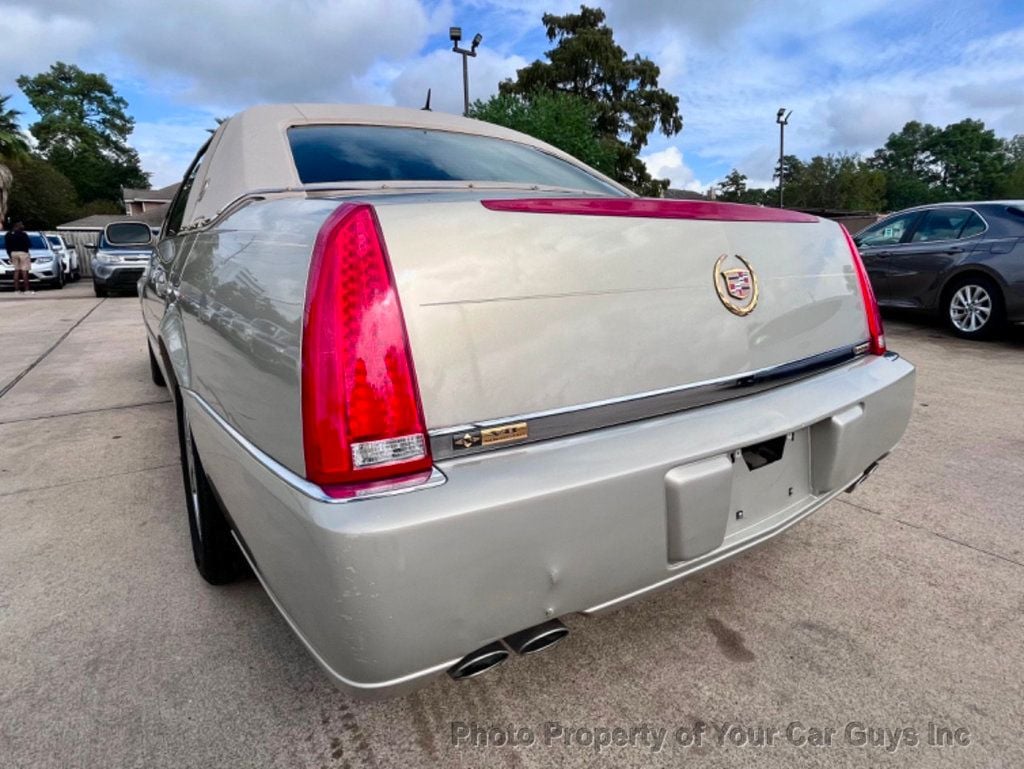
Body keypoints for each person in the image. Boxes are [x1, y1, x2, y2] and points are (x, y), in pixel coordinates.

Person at [5, 222, 34, 295]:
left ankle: (16, 290)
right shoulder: (23, 234)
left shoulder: (8, 234)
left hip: (13, 253)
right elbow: (29, 244)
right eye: (22, 225)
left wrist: (9, 255)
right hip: (23, 253)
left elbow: (7, 246)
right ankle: (26, 290)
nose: (23, 226)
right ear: (18, 226)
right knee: (24, 271)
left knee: (16, 271)